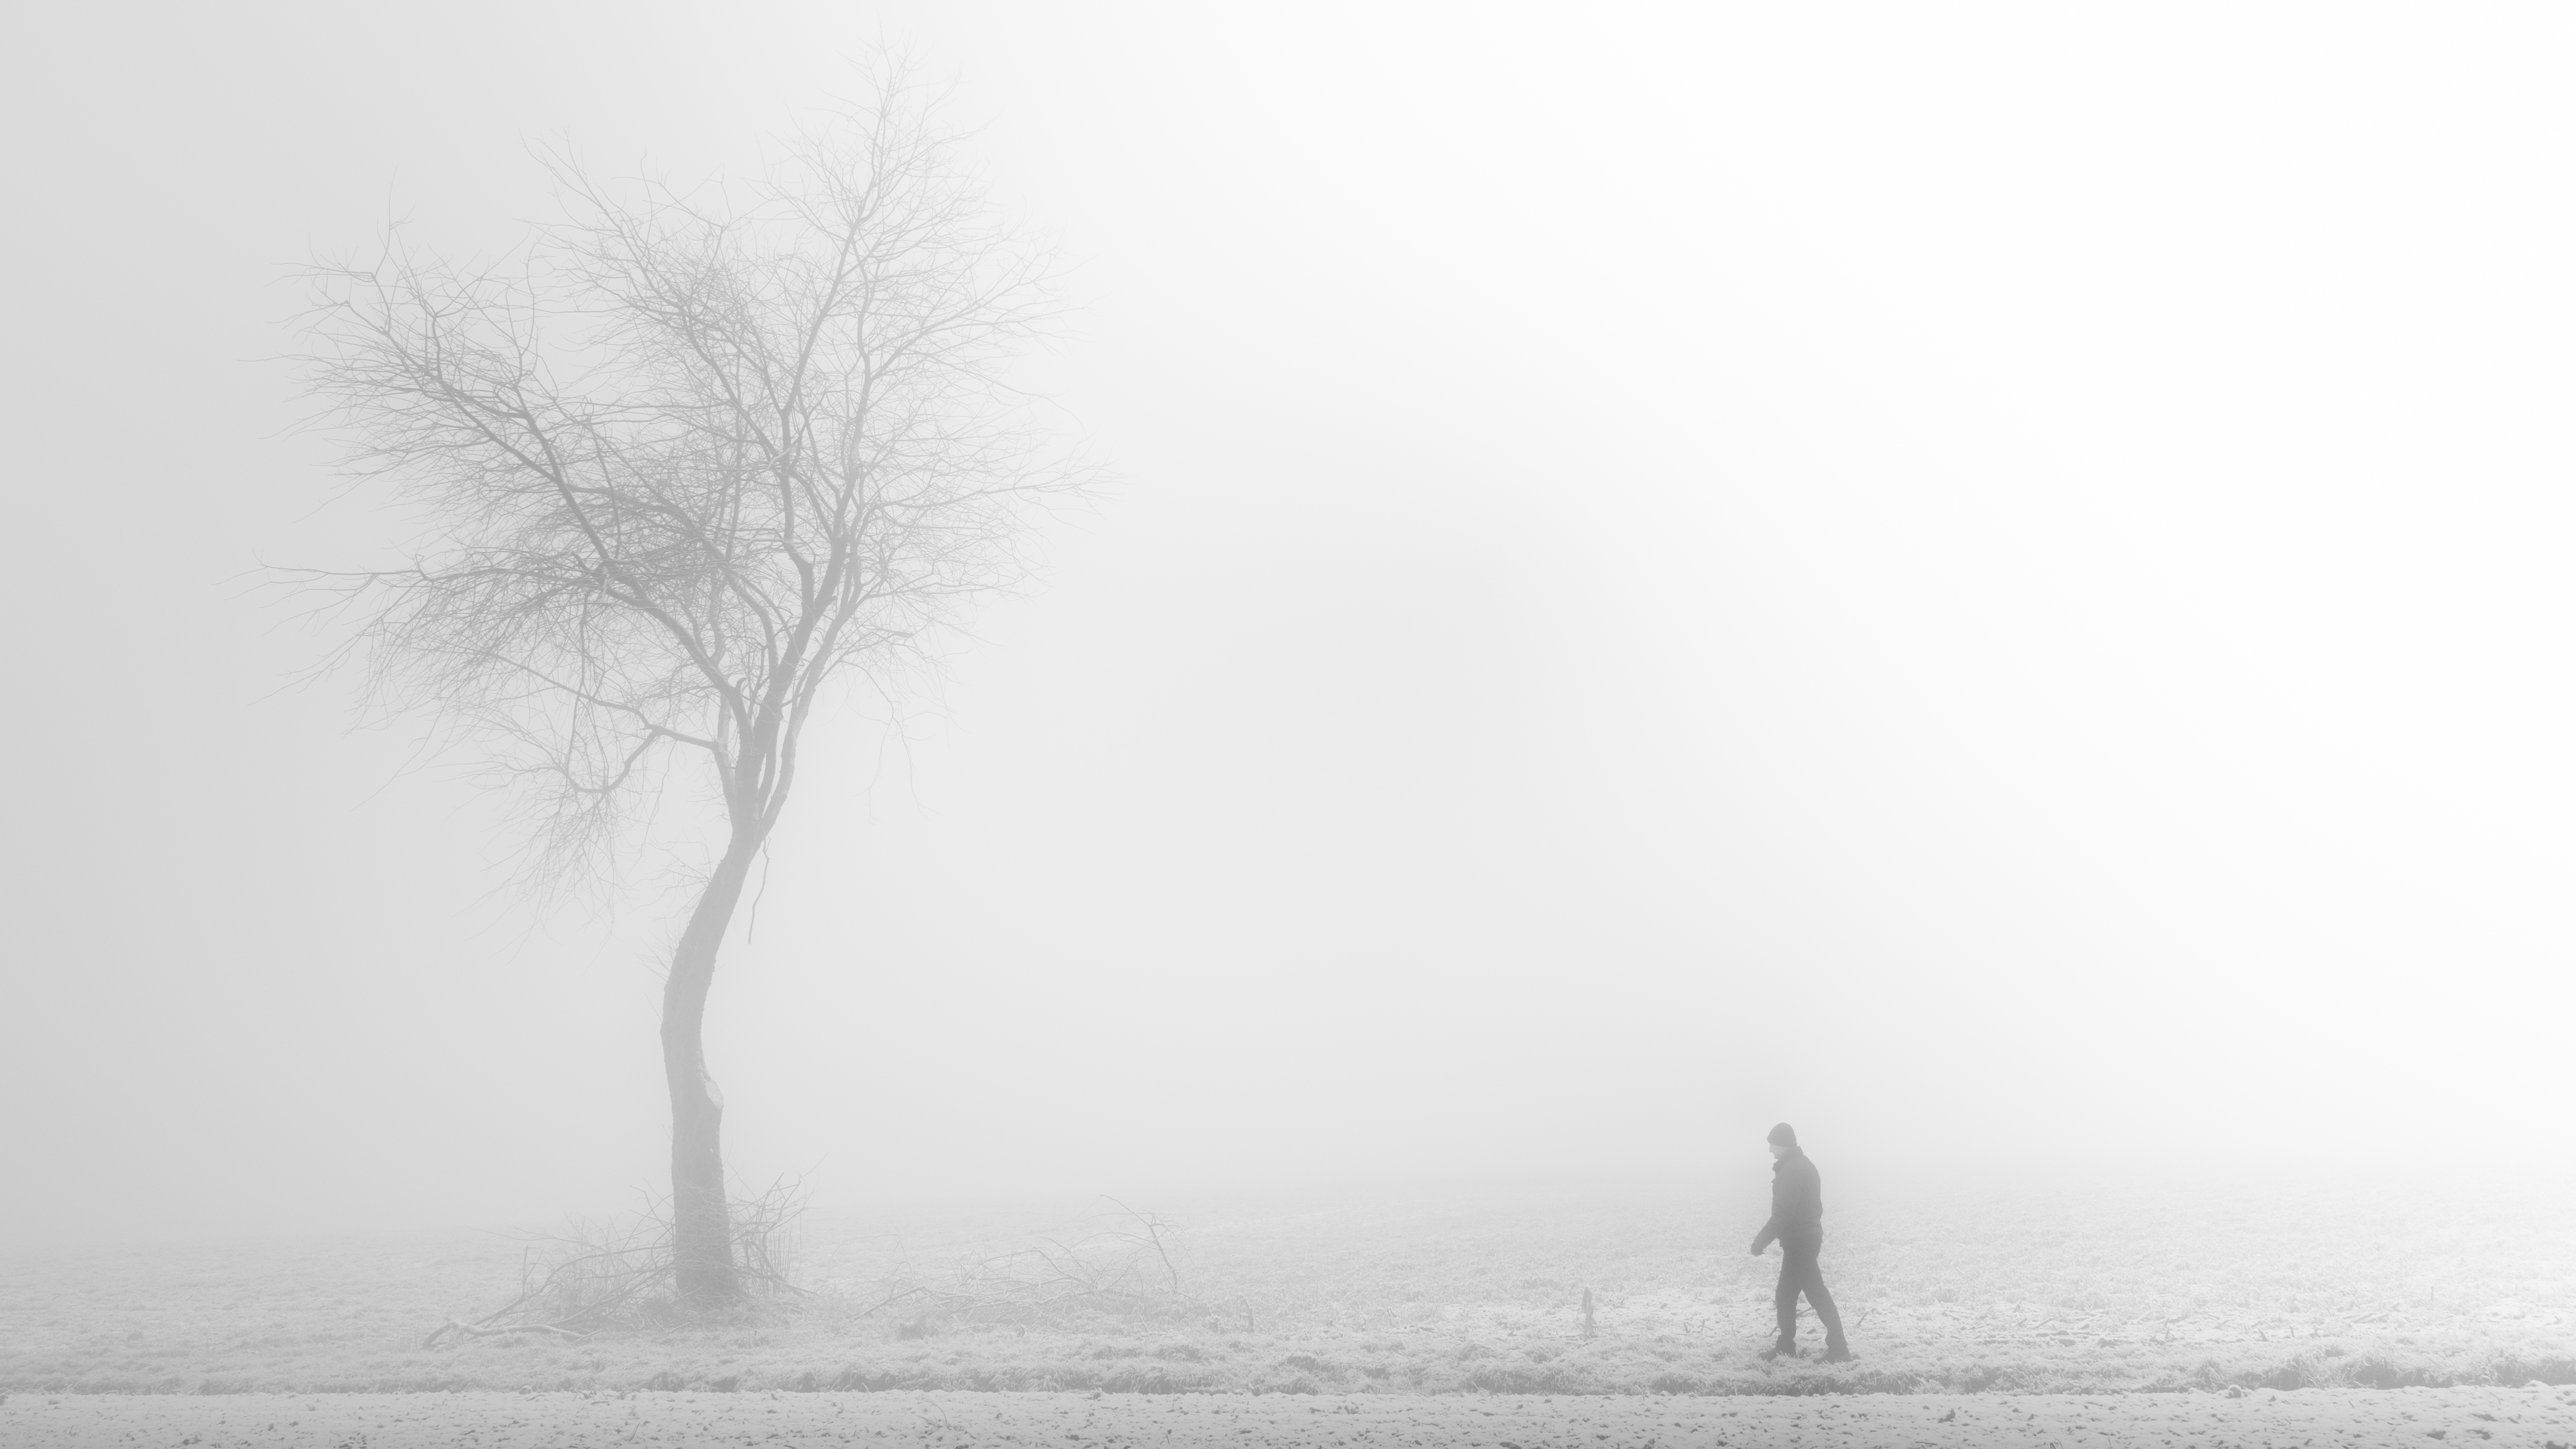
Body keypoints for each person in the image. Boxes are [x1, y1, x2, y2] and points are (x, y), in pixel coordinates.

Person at [1749, 1121, 1851, 1361]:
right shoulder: (1803, 1166)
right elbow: (1816, 1207)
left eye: (1772, 1145)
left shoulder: (1793, 1170)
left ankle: (1839, 1349)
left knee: (1816, 1294)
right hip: (1804, 1239)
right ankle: (1786, 1346)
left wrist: (1760, 1241)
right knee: (1785, 1294)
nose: (1770, 1150)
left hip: (1800, 1242)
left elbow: (1783, 1214)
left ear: (1782, 1145)